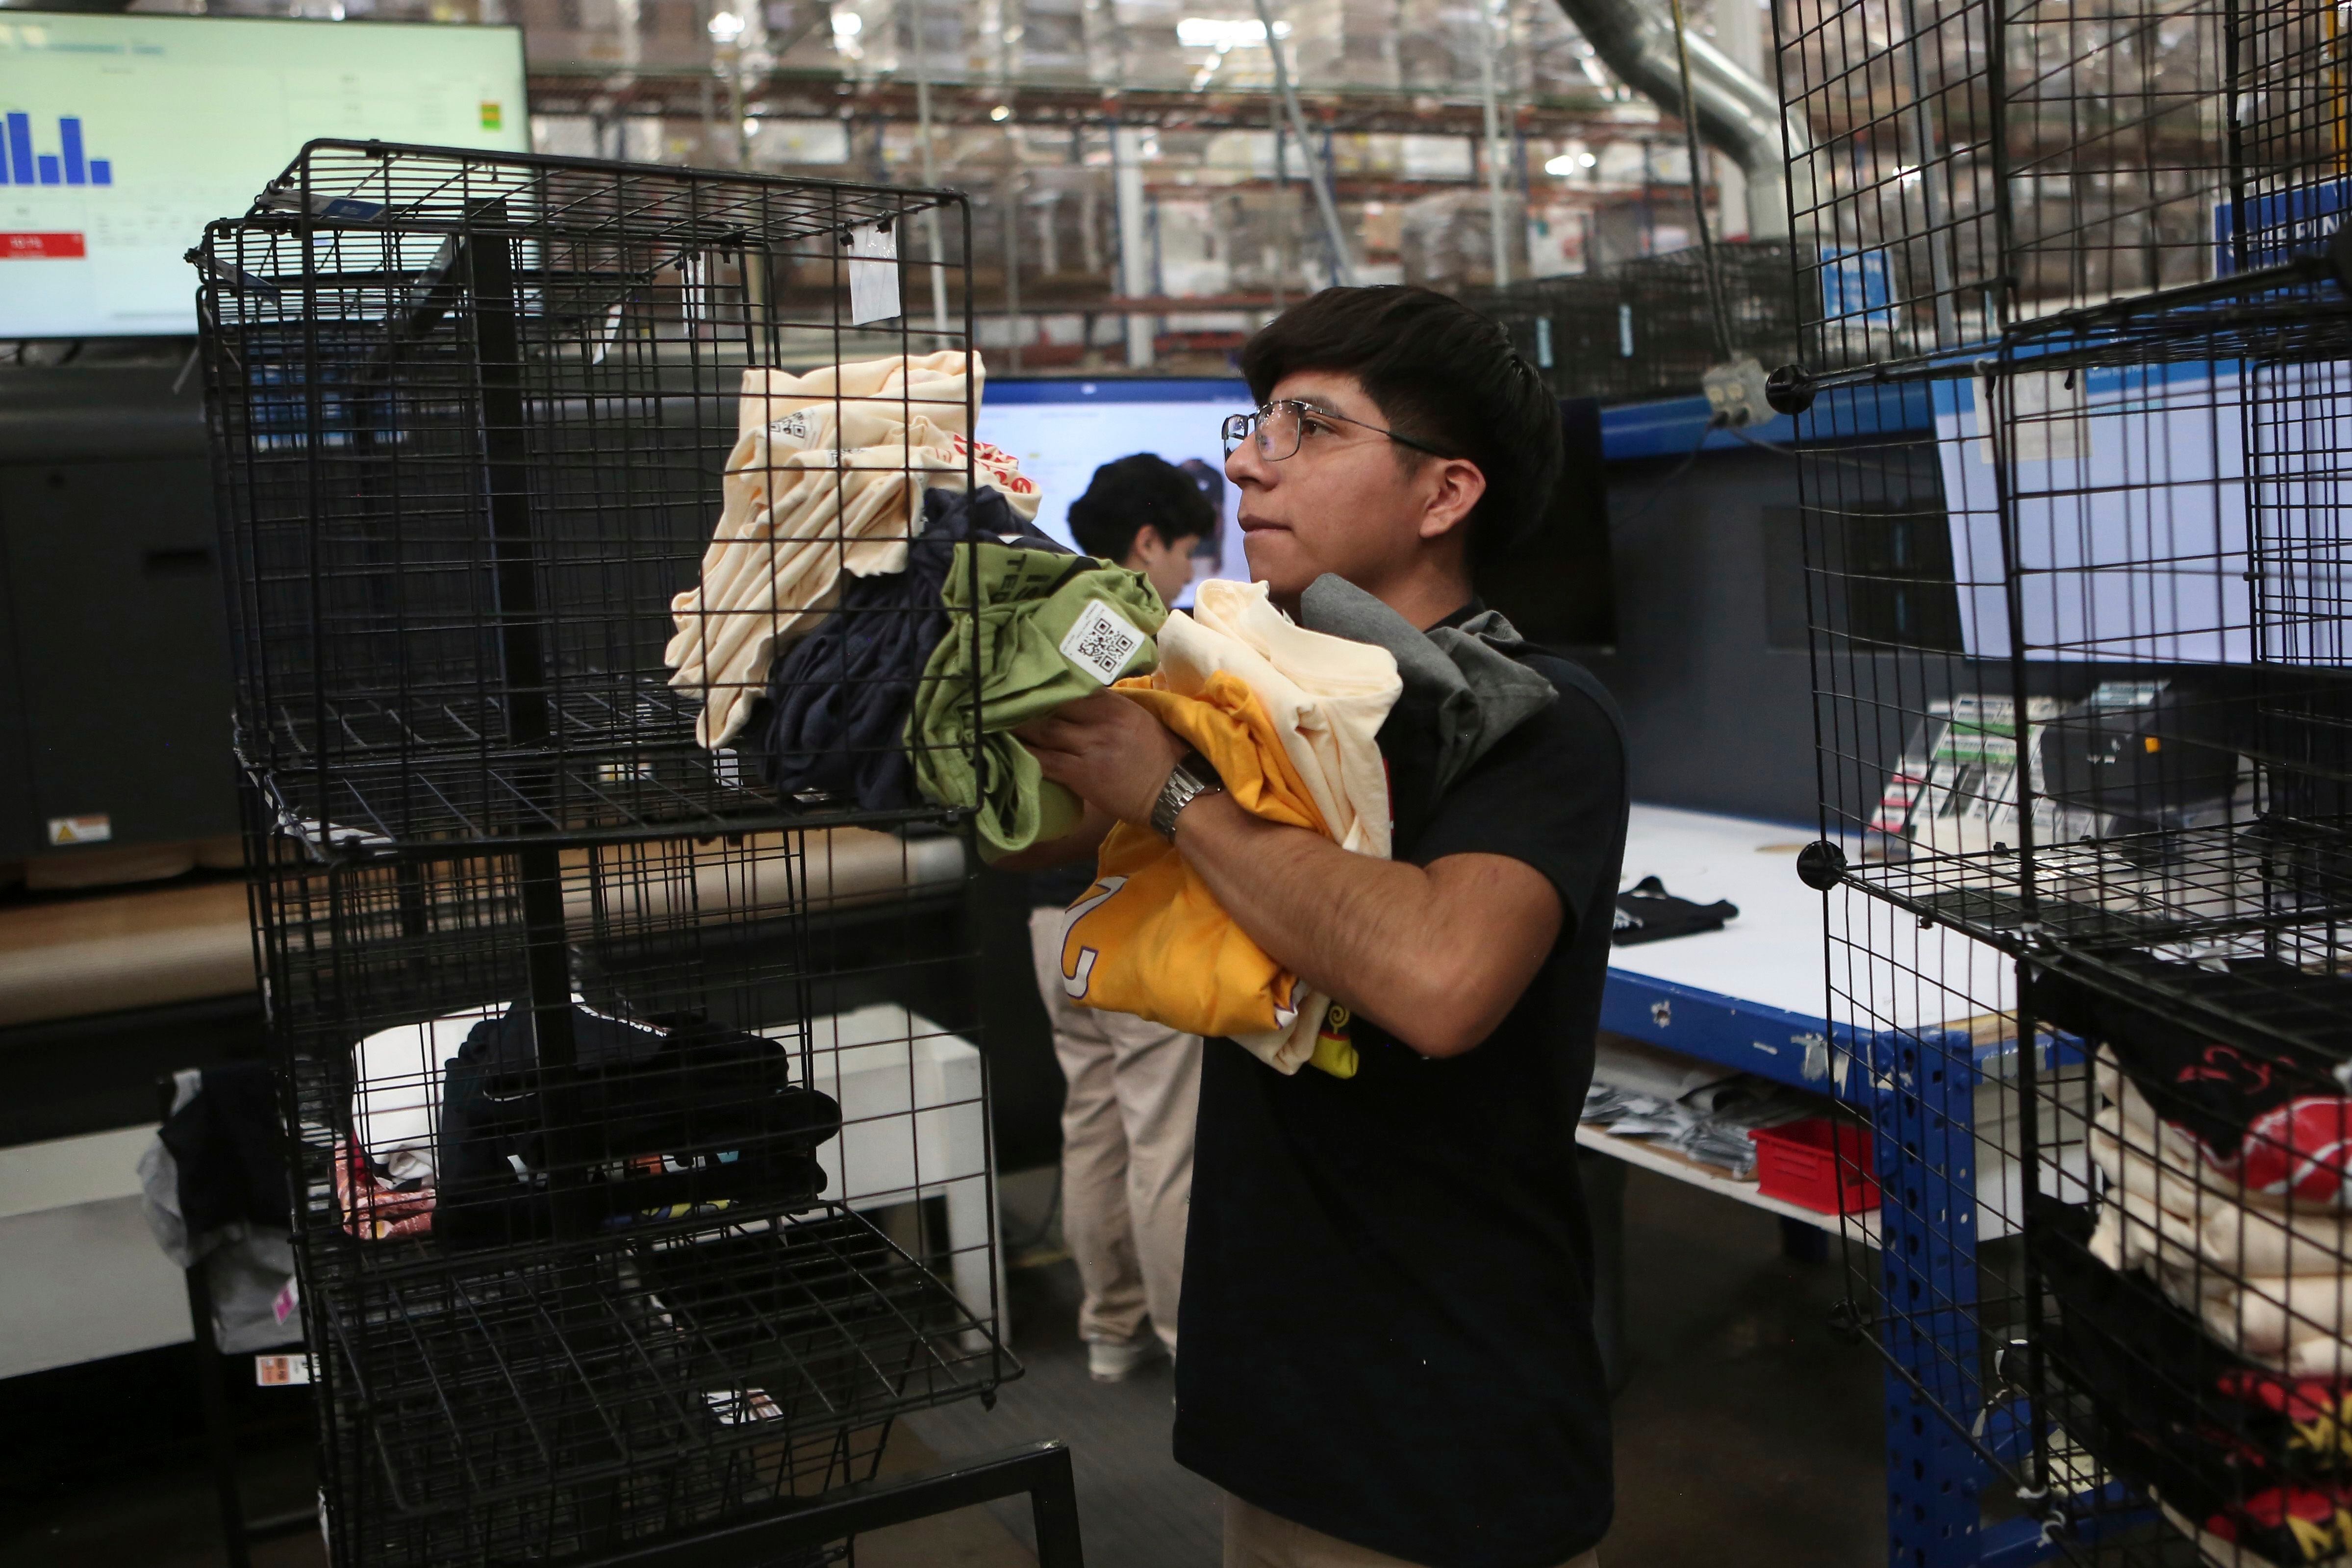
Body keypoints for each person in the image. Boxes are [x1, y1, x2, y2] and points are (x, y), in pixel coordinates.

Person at [1010, 287, 1626, 1568]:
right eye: (1257, 423)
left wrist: (1175, 796)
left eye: (1308, 427)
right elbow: (1037, 819)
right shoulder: (1257, 694)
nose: (1245, 459)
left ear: (1443, 492)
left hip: (1438, 1420)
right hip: (1271, 1395)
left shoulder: (1539, 724)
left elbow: (1440, 977)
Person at [1028, 452, 1220, 1383]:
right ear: (1148, 543)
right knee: (1166, 1134)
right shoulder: (1146, 635)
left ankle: (1110, 1331)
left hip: (1044, 917)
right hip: (1130, 915)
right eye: (1188, 551)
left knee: (1093, 1117)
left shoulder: (1042, 624)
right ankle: (1190, 1344)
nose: (1192, 573)